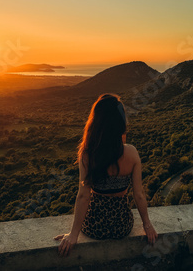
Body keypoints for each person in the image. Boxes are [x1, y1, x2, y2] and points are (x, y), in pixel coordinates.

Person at [54, 93, 158, 257]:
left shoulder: (88, 154)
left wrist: (73, 234)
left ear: (96, 122)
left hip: (94, 226)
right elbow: (138, 194)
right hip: (121, 226)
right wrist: (147, 225)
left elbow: (83, 196)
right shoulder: (131, 153)